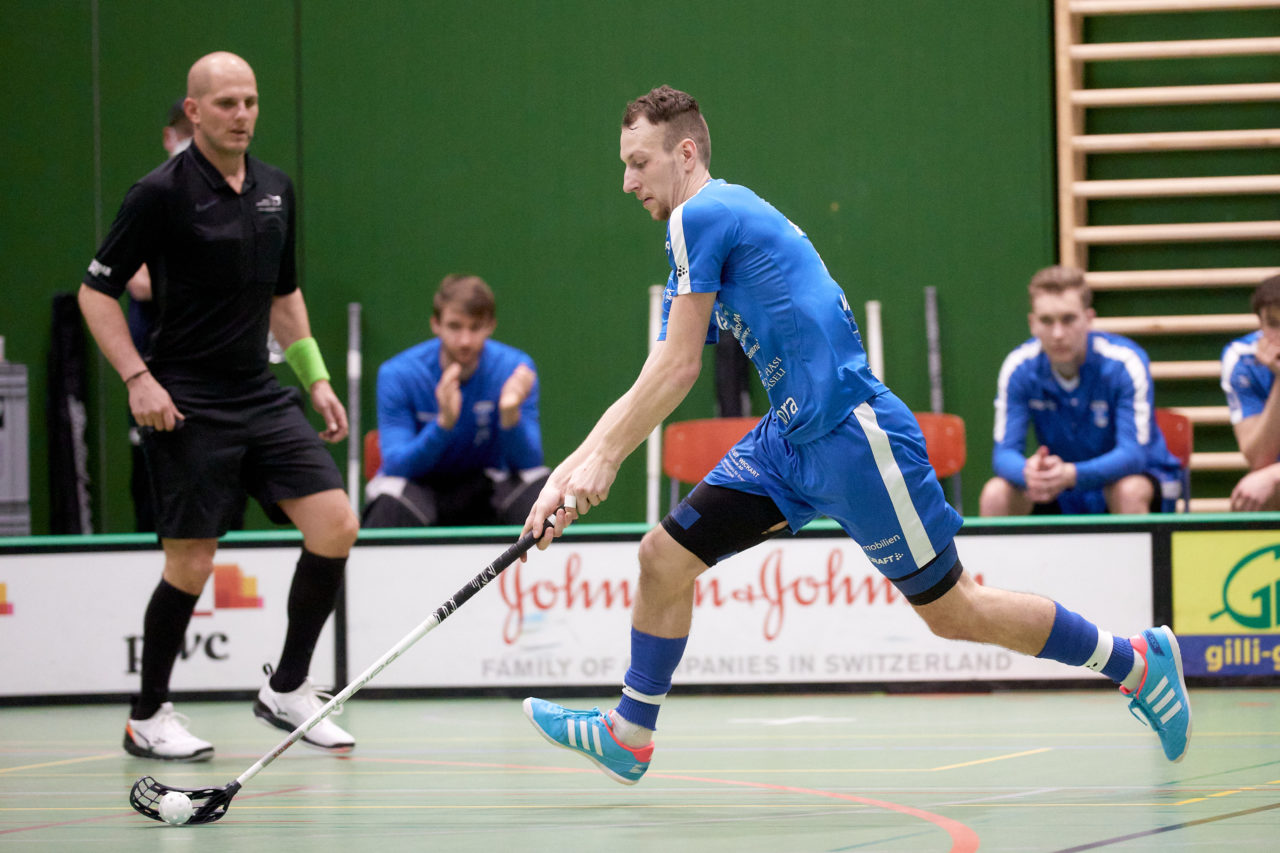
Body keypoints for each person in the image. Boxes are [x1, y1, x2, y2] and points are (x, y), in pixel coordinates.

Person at [518, 86, 1191, 786]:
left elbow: (682, 367)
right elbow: (657, 369)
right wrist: (565, 477)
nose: (627, 182)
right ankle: (630, 732)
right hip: (787, 441)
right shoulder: (706, 228)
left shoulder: (703, 212)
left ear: (684, 152)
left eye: (638, 162)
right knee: (663, 556)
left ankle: (1135, 660)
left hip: (852, 434)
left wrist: (603, 459)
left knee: (954, 611)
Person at [78, 51, 359, 761]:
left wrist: (316, 377)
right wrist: (138, 378)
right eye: (227, 103)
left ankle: (287, 689)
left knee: (335, 522)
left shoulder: (275, 188)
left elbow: (283, 294)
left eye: (251, 101)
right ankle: (148, 714)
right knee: (192, 564)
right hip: (186, 397)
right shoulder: (159, 192)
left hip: (260, 391)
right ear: (194, 112)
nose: (243, 115)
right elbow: (96, 292)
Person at [979, 266, 1183, 517]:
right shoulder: (1018, 367)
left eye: (1068, 319)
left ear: (1089, 318)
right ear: (1032, 324)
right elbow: (1004, 454)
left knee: (1128, 491)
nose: (1058, 334)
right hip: (1060, 486)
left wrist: (1071, 475)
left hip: (1132, 479)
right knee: (995, 494)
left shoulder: (1125, 363)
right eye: (1046, 321)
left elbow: (1133, 455)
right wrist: (1029, 472)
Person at [363, 274, 548, 527]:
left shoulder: (515, 370)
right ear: (435, 324)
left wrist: (510, 412)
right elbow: (396, 465)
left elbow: (530, 463)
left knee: (545, 495)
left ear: (490, 326)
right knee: (388, 501)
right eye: (454, 326)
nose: (465, 341)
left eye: (475, 327)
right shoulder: (398, 374)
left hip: (488, 488)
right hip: (420, 489)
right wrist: (443, 425)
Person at [124, 99, 195, 532]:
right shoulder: (150, 197)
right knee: (154, 500)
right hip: (155, 376)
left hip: (215, 381)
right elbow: (138, 282)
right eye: (182, 131)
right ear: (168, 137)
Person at [1221, 273, 1280, 511]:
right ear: (1260, 325)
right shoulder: (1243, 361)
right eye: (1274, 324)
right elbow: (1259, 459)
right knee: (1253, 496)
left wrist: (1274, 475)